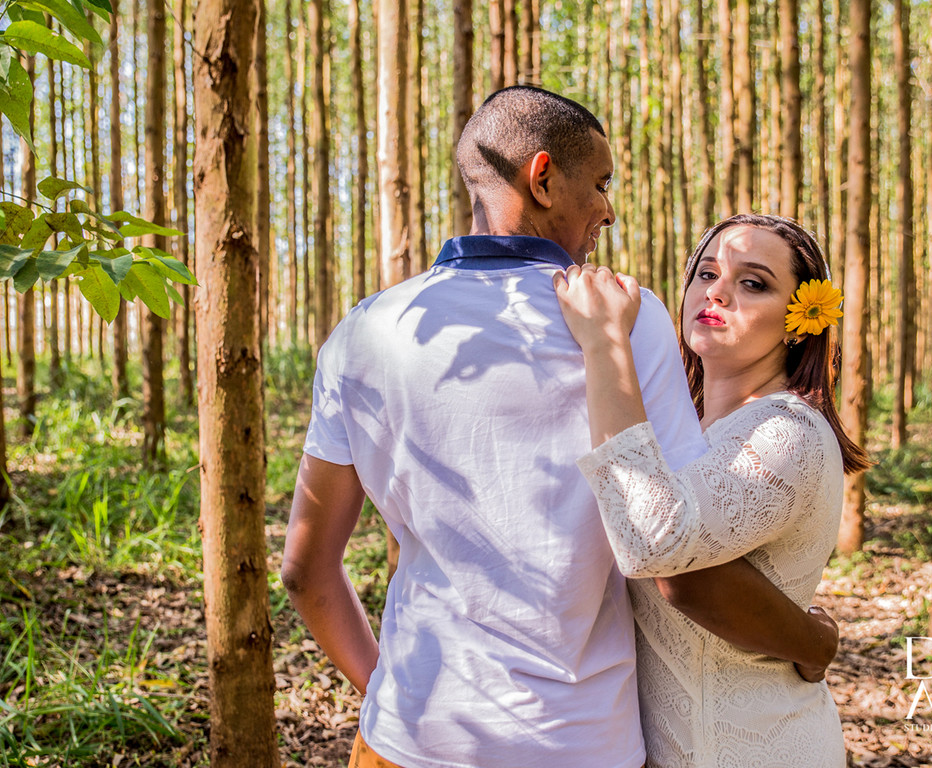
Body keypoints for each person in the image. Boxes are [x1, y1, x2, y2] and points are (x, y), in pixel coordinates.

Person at [281, 89, 836, 768]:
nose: (609, 209)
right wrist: (815, 642)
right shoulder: (629, 318)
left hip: (407, 736)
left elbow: (306, 571)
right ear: (542, 178)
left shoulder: (362, 332)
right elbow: (678, 562)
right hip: (578, 742)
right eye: (600, 183)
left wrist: (391, 697)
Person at [554, 213, 869, 767]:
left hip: (756, 749)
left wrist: (605, 341)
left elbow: (656, 542)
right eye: (706, 273)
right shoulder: (684, 428)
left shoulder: (787, 432)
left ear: (799, 322)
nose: (717, 292)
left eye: (753, 283)